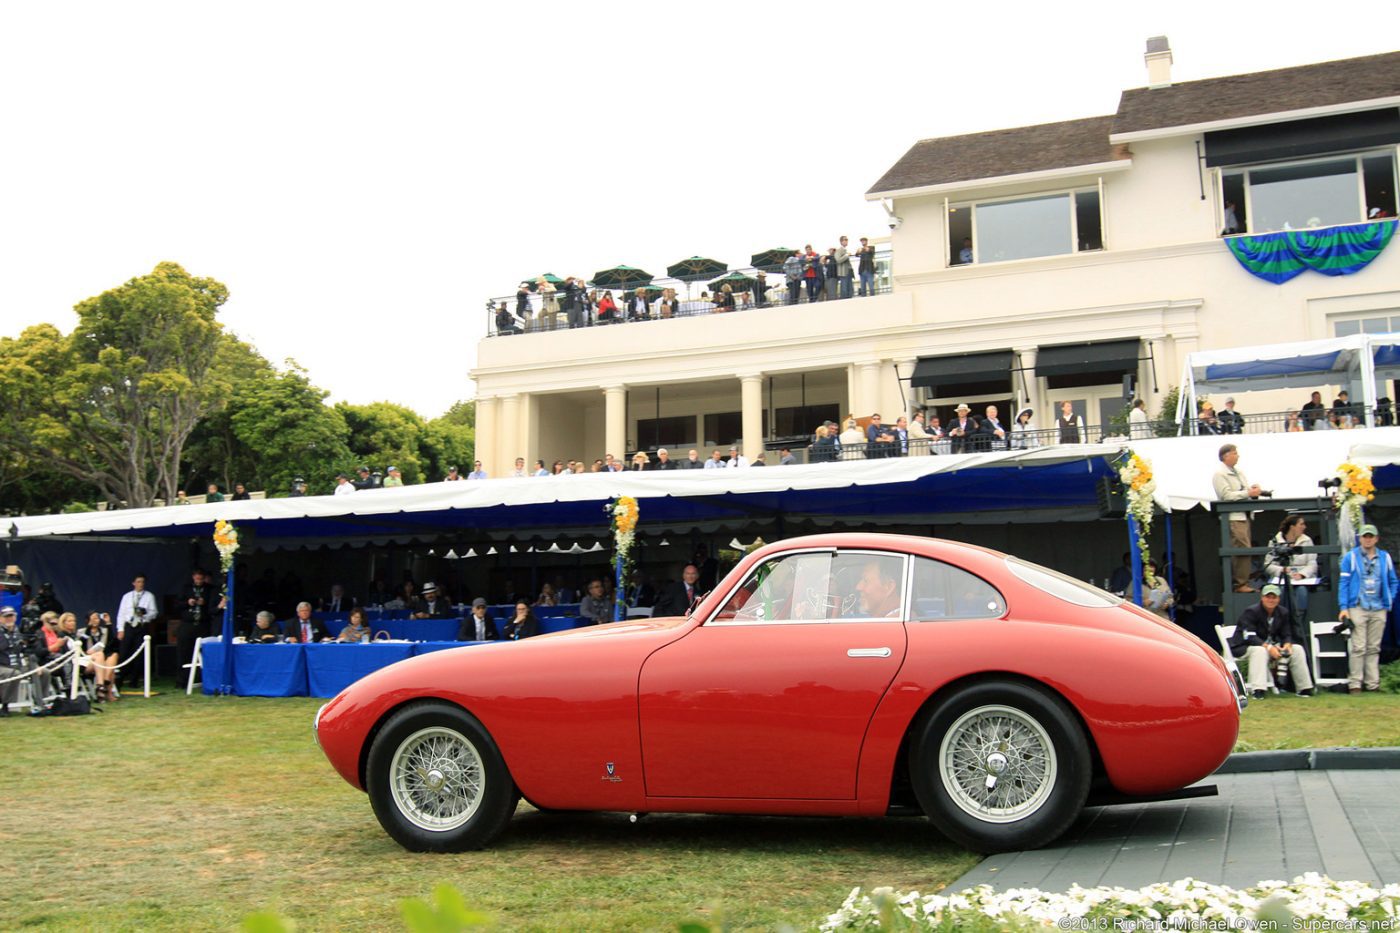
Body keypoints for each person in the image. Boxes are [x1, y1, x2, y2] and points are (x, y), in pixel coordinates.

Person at [1336, 523, 1399, 694]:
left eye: (1371, 536)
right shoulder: (1351, 557)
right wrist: (1344, 607)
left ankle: (1373, 684)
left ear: (1376, 538)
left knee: (1374, 647)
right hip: (1358, 606)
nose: (1368, 539)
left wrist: (1389, 599)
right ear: (1360, 538)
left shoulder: (1384, 557)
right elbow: (1344, 583)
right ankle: (1355, 684)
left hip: (1379, 607)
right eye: (1365, 536)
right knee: (1358, 647)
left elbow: (1394, 581)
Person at [1228, 584, 1314, 699]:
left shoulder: (1283, 612)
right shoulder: (1251, 611)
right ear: (1262, 597)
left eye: (1274, 597)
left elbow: (1286, 633)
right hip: (1243, 646)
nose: (1271, 600)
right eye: (1268, 597)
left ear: (1278, 599)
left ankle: (1304, 688)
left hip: (1268, 645)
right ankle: (1258, 690)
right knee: (1260, 651)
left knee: (1297, 649)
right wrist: (1269, 648)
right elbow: (1249, 636)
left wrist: (1287, 645)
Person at [1212, 443, 1262, 592]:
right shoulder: (1219, 474)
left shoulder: (1239, 472)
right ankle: (1240, 584)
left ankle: (1242, 583)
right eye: (1234, 453)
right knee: (1242, 548)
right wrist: (1248, 494)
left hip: (1244, 515)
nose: (1237, 455)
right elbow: (1226, 495)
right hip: (1233, 517)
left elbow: (1242, 491)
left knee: (1244, 548)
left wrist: (1251, 490)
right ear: (1225, 456)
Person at [1264, 515, 1318, 622]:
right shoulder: (1275, 541)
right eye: (1301, 524)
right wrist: (1282, 570)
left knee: (1301, 591)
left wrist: (1302, 574)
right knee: (1283, 591)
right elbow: (1268, 565)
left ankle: (1298, 623)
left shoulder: (1307, 540)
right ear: (1292, 526)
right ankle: (1282, 622)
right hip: (1282, 579)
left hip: (1302, 580)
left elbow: (1312, 563)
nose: (1304, 527)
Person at [115, 574, 158, 687]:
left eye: (142, 582)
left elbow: (154, 613)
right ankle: (119, 678)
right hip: (129, 626)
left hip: (142, 625)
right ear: (133, 583)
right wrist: (120, 629)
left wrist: (145, 615)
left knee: (139, 653)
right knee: (124, 652)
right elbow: (121, 614)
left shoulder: (149, 596)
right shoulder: (127, 596)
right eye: (138, 582)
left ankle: (134, 680)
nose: (140, 584)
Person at [177, 568, 216, 684]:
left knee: (203, 652)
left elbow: (212, 606)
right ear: (193, 577)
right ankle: (182, 681)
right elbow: (177, 604)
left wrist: (204, 603)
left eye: (201, 579)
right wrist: (187, 602)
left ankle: (201, 679)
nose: (198, 581)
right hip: (187, 624)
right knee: (184, 652)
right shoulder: (186, 588)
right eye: (197, 578)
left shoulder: (209, 589)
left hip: (203, 625)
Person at [80, 610, 118, 701]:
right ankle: (107, 692)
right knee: (109, 668)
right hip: (89, 659)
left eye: (96, 618)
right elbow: (82, 645)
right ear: (87, 620)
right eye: (92, 618)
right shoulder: (82, 632)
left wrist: (108, 623)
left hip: (103, 658)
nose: (94, 621)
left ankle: (105, 680)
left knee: (114, 655)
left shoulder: (104, 630)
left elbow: (113, 643)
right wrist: (89, 627)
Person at [0, 606, 29, 716]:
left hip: (17, 663)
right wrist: (9, 636)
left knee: (42, 671)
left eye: (11, 616)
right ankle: (5, 705)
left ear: (15, 617)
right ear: (0, 618)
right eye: (6, 617)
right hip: (2, 665)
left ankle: (41, 703)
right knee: (13, 674)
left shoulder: (17, 630)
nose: (9, 619)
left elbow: (23, 649)